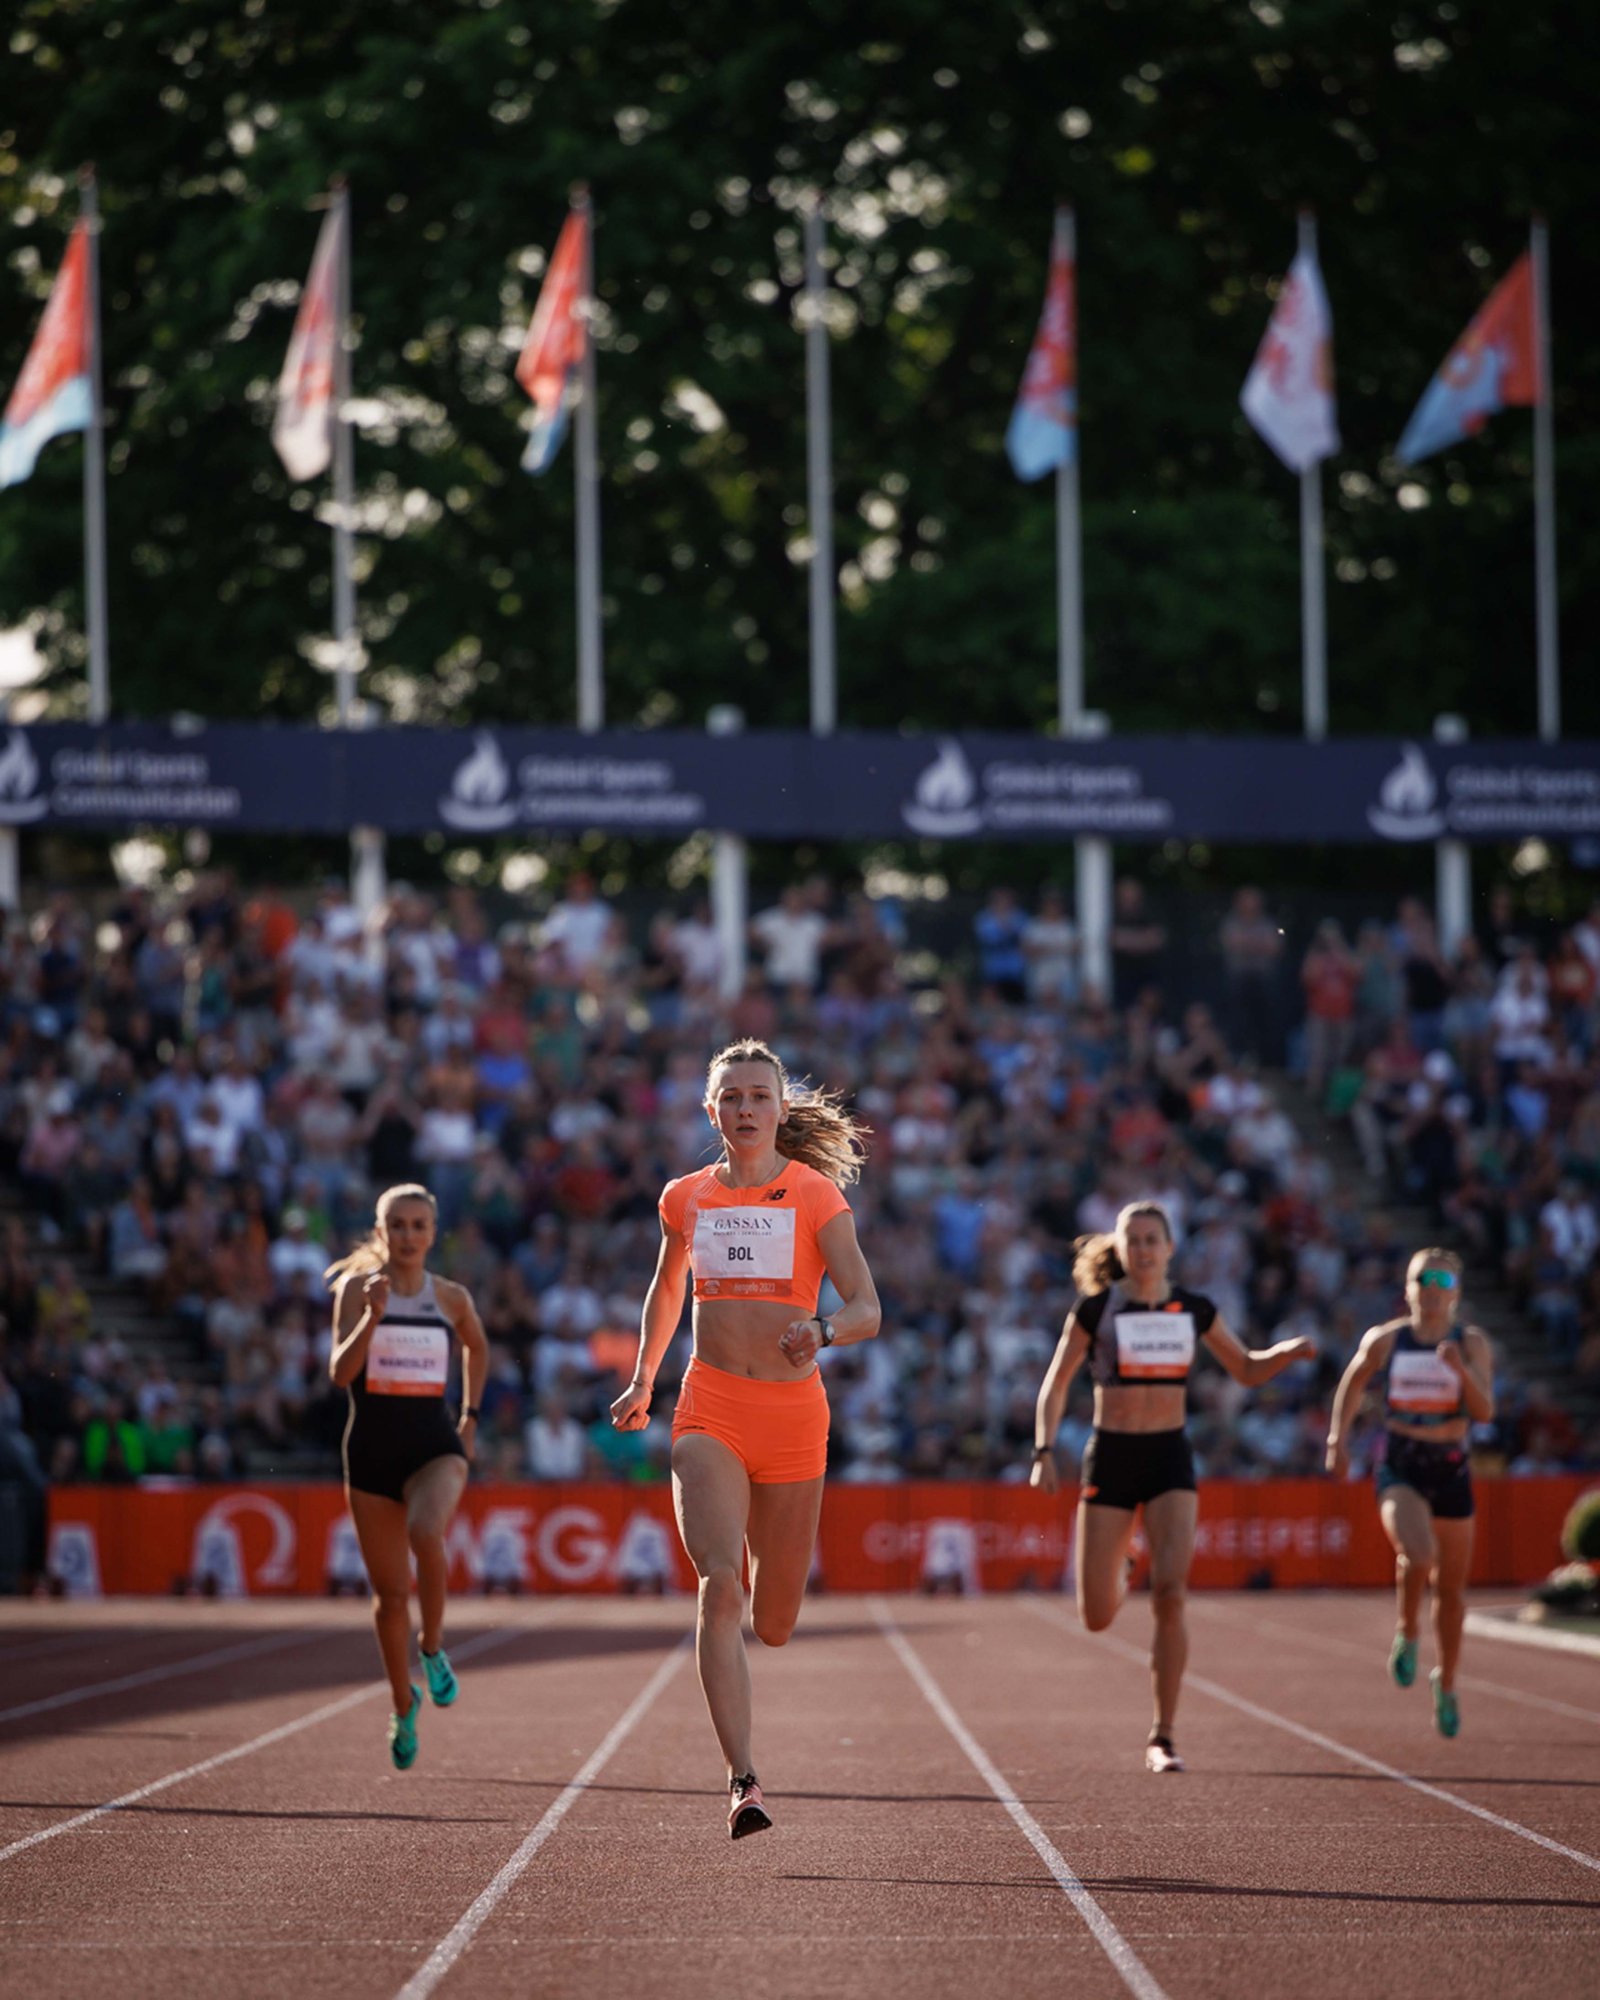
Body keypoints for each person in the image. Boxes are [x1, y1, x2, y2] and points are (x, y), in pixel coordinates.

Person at [610, 1037, 880, 1839]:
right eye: (731, 1097)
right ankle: (743, 1779)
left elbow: (868, 1305)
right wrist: (642, 1379)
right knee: (720, 1585)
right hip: (710, 1407)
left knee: (777, 1620)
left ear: (781, 1108)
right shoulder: (685, 1197)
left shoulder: (815, 1195)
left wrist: (824, 1331)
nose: (746, 1109)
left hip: (794, 1417)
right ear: (710, 1110)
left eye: (760, 1096)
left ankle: (769, 1607)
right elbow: (666, 1293)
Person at [1030, 1201, 1313, 1773]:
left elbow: (1247, 1369)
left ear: (1170, 1247)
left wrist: (1283, 1355)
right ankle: (1123, 1563)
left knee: (1172, 1594)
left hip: (1169, 1459)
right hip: (1111, 1456)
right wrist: (1042, 1449)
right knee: (1097, 1615)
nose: (1143, 1249)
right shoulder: (1097, 1309)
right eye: (1132, 1239)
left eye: (1152, 1239)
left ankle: (1163, 1734)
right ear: (1120, 1247)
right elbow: (1057, 1382)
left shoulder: (1194, 1308)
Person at [328, 1183, 488, 1769]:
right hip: (370, 1454)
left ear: (432, 1233)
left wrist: (469, 1416)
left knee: (427, 1531)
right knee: (391, 1597)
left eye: (419, 1225)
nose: (408, 1235)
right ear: (381, 1231)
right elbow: (341, 1374)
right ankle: (403, 1701)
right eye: (397, 1225)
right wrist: (371, 1317)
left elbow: (478, 1347)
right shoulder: (355, 1291)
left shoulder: (449, 1297)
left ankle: (434, 1647)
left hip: (434, 1448)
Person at [1324, 1246, 1494, 1738]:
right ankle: (1407, 1631)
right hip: (1401, 1466)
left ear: (1456, 1293)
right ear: (1409, 1289)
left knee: (1453, 1593)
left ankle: (1447, 1682)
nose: (1433, 1292)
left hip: (1452, 1470)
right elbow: (1352, 1383)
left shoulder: (1472, 1343)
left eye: (1443, 1283)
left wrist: (1459, 1370)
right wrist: (1338, 1440)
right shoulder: (1387, 1341)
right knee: (1418, 1555)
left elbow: (1484, 1413)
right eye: (1424, 1281)